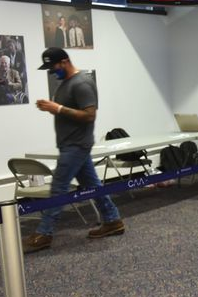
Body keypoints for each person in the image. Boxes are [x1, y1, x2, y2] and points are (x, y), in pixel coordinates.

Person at [22, 47, 125, 253]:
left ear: (65, 61)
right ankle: (113, 221)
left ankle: (45, 232)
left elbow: (89, 115)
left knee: (58, 188)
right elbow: (70, 113)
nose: (52, 71)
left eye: (54, 66)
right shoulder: (65, 84)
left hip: (76, 145)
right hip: (71, 144)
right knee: (94, 186)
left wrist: (57, 108)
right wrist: (54, 108)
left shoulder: (82, 83)